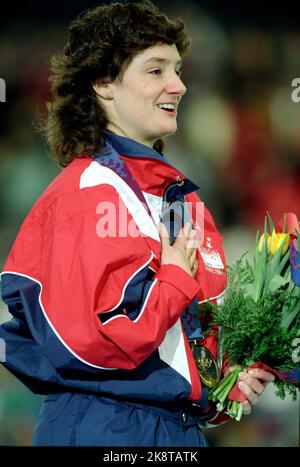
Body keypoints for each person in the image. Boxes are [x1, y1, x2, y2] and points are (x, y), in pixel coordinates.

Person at [0, 0, 275, 447]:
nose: (180, 85)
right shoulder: (86, 193)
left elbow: (185, 339)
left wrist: (225, 382)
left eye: (179, 69)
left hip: (178, 430)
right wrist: (171, 280)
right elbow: (92, 345)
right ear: (104, 84)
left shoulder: (181, 202)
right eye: (156, 70)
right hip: (102, 426)